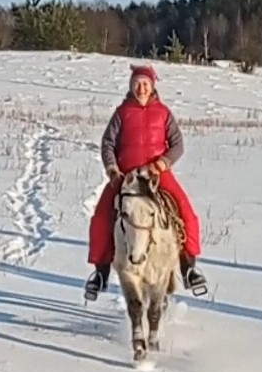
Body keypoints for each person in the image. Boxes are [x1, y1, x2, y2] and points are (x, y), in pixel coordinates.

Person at [84, 64, 206, 300]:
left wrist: (162, 163)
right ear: (131, 86)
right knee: (101, 217)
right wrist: (112, 170)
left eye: (145, 84)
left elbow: (177, 144)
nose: (141, 89)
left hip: (157, 174)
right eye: (137, 84)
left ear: (152, 87)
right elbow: (108, 143)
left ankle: (188, 266)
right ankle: (100, 273)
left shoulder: (164, 113)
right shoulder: (121, 113)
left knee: (186, 212)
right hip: (127, 176)